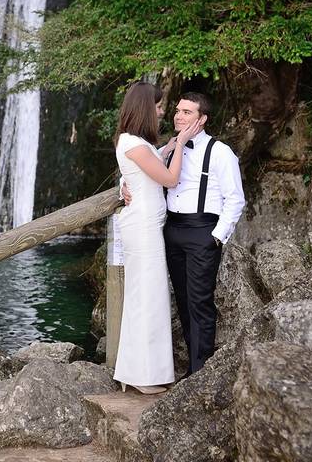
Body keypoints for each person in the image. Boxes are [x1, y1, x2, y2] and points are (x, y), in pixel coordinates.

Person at [123, 92, 245, 376]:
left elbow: (235, 199)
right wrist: (123, 186)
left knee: (200, 301)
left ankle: (200, 374)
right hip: (171, 230)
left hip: (202, 231)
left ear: (202, 119)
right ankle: (191, 367)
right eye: (178, 110)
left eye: (187, 112)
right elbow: (140, 170)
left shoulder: (220, 152)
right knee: (182, 301)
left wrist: (216, 236)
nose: (179, 116)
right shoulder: (167, 147)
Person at [113, 82, 201, 394]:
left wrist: (170, 145)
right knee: (147, 298)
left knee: (147, 296)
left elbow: (145, 165)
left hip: (148, 225)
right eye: (159, 106)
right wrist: (181, 145)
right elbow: (169, 177)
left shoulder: (135, 141)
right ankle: (141, 376)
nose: (162, 111)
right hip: (143, 228)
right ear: (145, 108)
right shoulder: (133, 143)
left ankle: (137, 372)